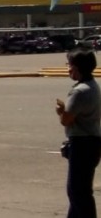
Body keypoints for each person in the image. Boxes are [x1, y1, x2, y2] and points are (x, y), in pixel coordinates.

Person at [55, 48, 101, 218]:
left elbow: (66, 120)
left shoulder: (79, 91)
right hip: (92, 142)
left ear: (77, 67)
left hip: (82, 144)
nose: (68, 69)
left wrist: (61, 111)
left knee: (78, 193)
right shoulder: (93, 86)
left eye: (69, 65)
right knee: (80, 192)